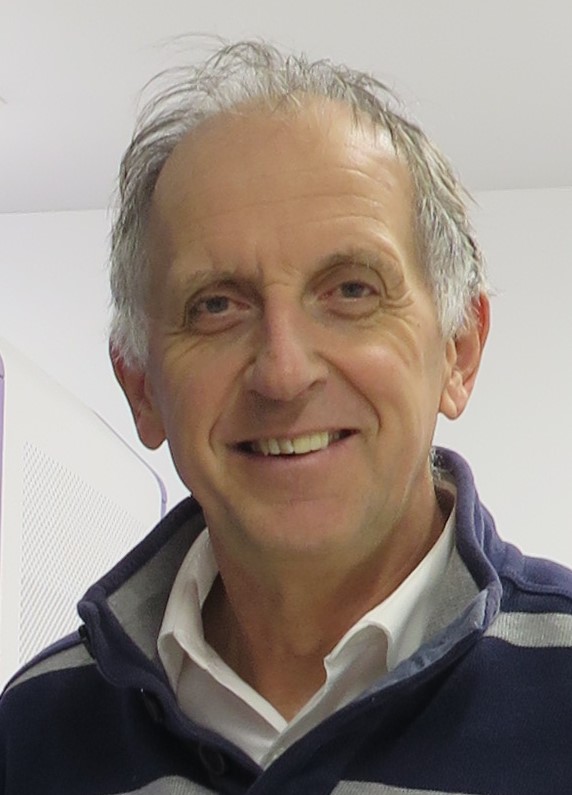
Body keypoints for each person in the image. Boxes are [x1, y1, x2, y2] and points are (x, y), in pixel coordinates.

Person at [1, 39, 572, 795]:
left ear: (459, 352)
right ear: (141, 387)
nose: (283, 372)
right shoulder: (29, 733)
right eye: (215, 305)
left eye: (352, 290)